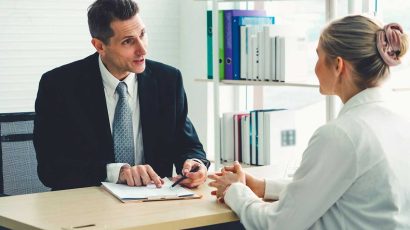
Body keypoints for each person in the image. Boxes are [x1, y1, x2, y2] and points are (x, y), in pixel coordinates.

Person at [208, 15, 410, 229]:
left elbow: (277, 225)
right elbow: (328, 188)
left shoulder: (342, 134)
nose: (314, 68)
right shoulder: (400, 120)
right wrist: (262, 187)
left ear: (338, 65)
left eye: (318, 57)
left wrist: (235, 191)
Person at [33, 0, 209, 191]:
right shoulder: (59, 86)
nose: (142, 49)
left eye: (142, 34)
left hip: (155, 203)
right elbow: (50, 169)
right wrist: (118, 173)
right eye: (128, 41)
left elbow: (188, 145)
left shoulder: (168, 80)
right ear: (99, 45)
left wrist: (194, 163)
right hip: (87, 205)